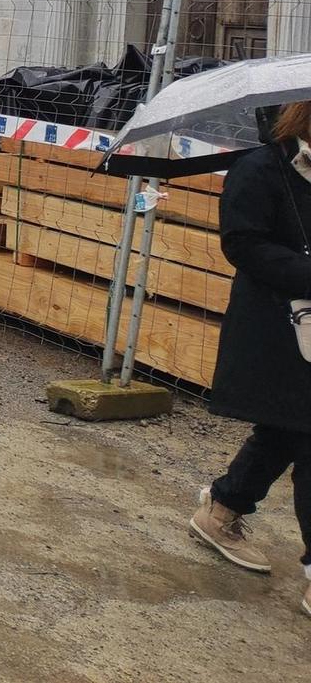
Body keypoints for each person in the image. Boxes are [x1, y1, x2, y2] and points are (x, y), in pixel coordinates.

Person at [188, 99, 311, 621]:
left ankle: (222, 509)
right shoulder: (261, 169)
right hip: (281, 327)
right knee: (303, 432)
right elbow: (244, 245)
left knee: (288, 429)